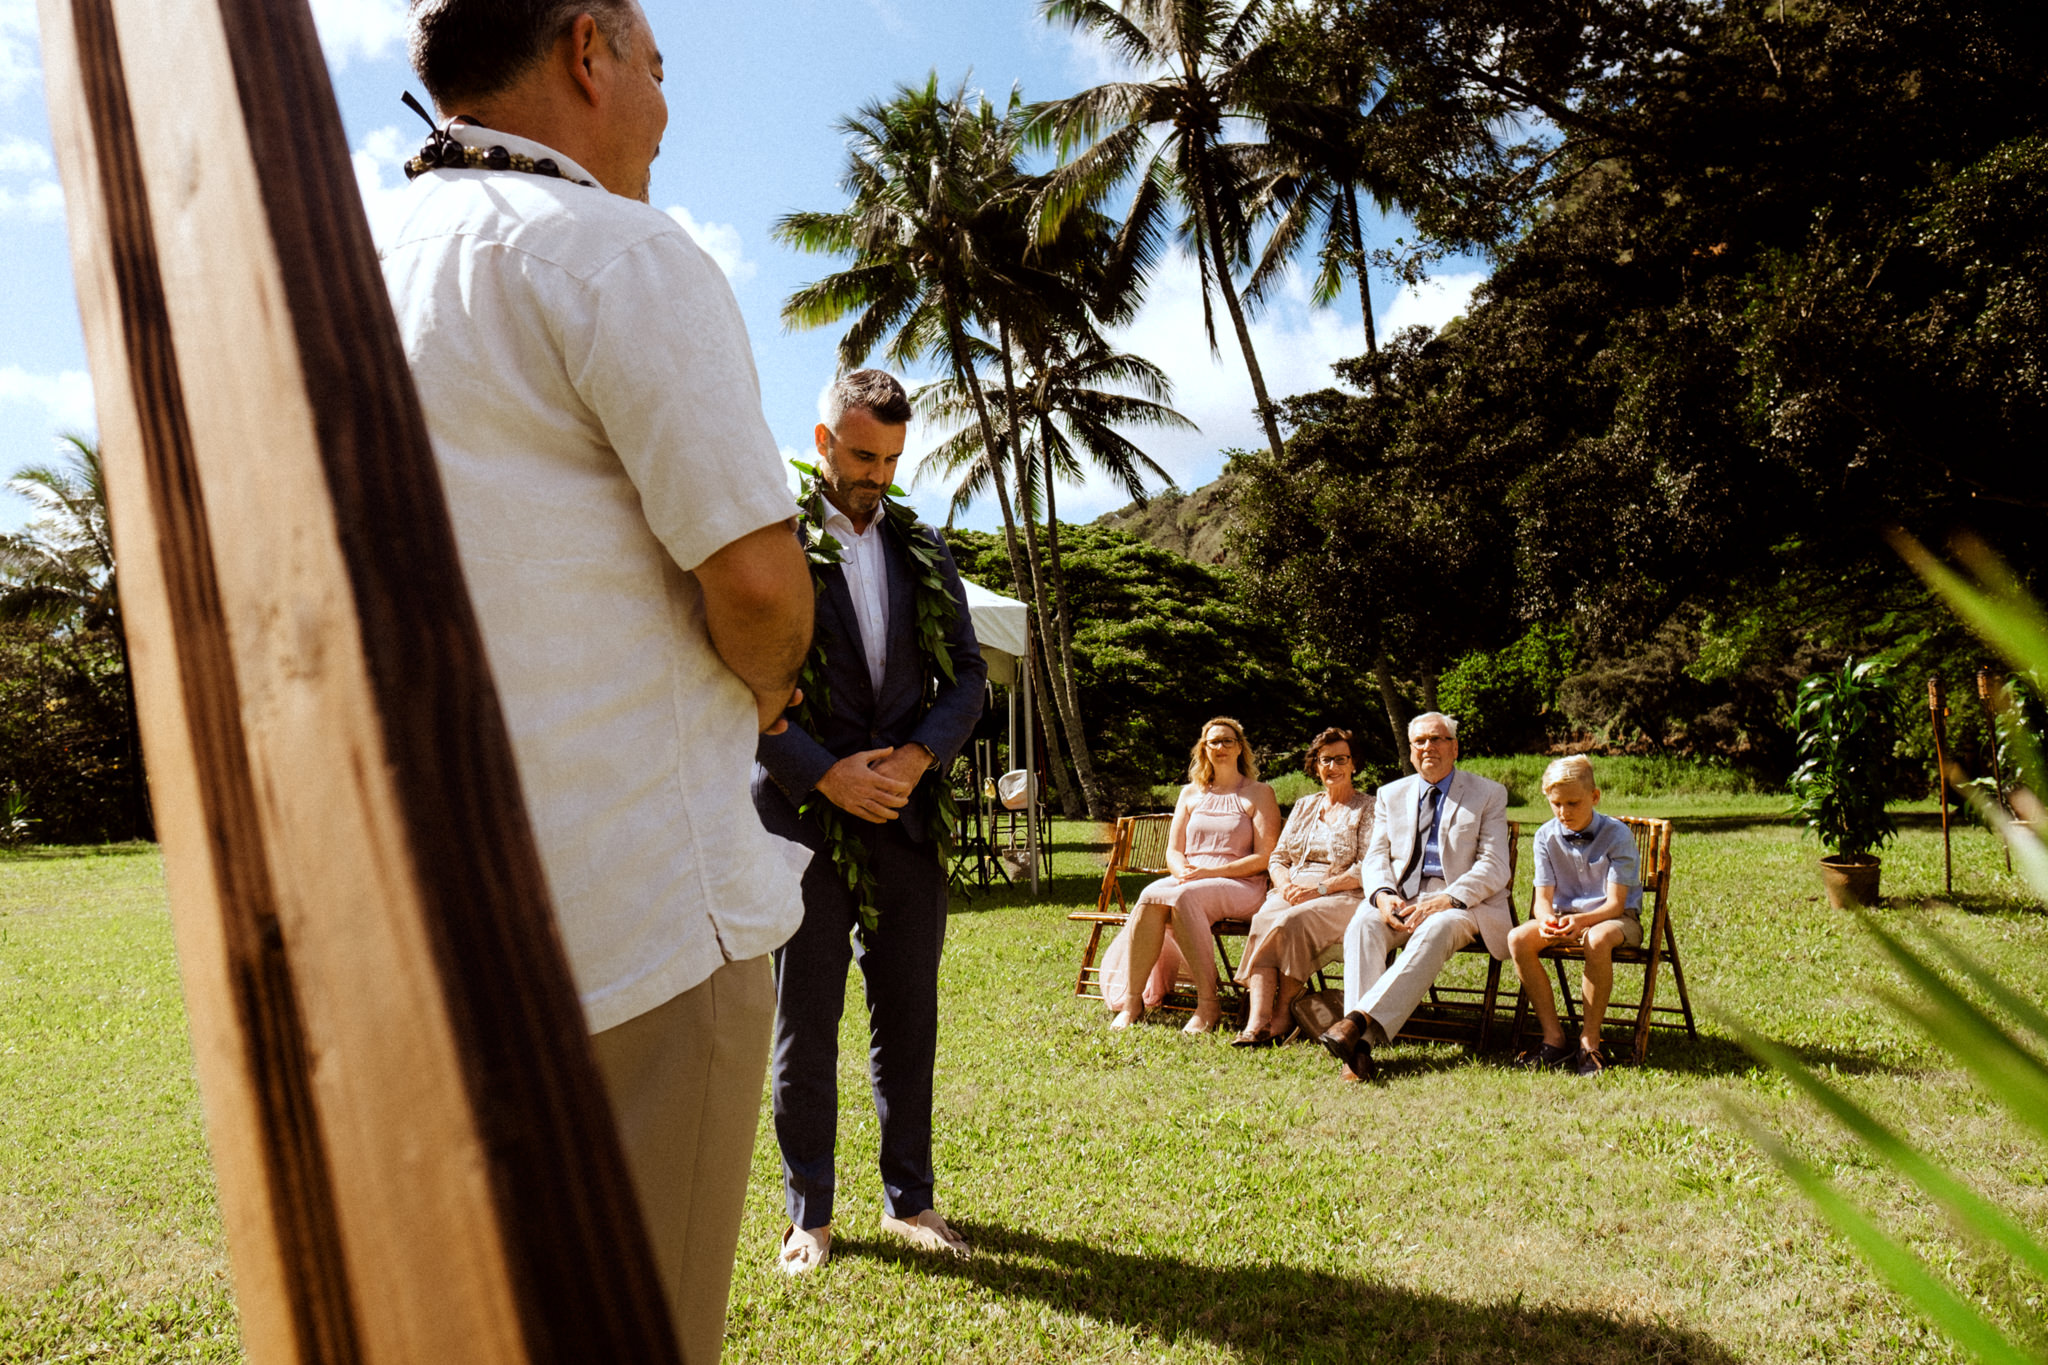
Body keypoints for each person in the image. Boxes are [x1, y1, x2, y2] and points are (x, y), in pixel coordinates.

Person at [387, 3, 813, 1358]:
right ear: (589, 52)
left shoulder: (333, 271)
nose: (667, 104)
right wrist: (768, 688)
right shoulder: (613, 254)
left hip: (402, 944)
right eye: (659, 64)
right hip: (629, 929)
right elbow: (756, 586)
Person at [755, 370, 987, 1275]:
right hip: (801, 822)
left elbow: (966, 676)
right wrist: (825, 776)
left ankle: (911, 1200)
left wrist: (915, 760)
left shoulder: (926, 549)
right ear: (821, 442)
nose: (877, 474)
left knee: (909, 1016)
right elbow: (740, 677)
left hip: (905, 819)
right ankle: (808, 1213)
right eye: (861, 454)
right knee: (804, 1022)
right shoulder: (771, 543)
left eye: (892, 457)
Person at [1318, 713, 1512, 1081]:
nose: (1429, 747)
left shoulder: (1487, 793)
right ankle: (1360, 1048)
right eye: (1420, 741)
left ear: (1454, 748)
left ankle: (1355, 1024)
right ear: (1411, 752)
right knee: (1363, 925)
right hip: (1403, 896)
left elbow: (1495, 865)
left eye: (1437, 739)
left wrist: (1450, 899)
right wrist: (1382, 894)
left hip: (1461, 903)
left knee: (1435, 929)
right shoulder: (1392, 794)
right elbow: (1376, 855)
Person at [1100, 717, 1281, 1034]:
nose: (1221, 747)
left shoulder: (1259, 793)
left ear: (1240, 747)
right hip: (1190, 878)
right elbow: (1174, 851)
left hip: (1241, 882)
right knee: (1150, 896)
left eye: (1227, 741)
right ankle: (1132, 1002)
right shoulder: (1190, 794)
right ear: (1204, 749)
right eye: (1214, 742)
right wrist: (1182, 870)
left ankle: (1208, 1005)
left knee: (1184, 897)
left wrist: (1211, 871)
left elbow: (1265, 857)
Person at [1230, 728, 1374, 1047]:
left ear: (1354, 764)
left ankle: (1282, 1016)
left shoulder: (1370, 807)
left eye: (1341, 759)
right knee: (1266, 918)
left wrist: (1319, 889)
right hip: (1293, 888)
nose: (1332, 767)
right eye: (1325, 760)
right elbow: (1279, 856)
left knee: (1291, 923)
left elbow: (1367, 868)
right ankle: (1257, 1021)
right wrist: (1284, 885)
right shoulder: (1305, 805)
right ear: (1315, 764)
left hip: (1343, 894)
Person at [1507, 756, 1643, 1076]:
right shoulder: (1544, 836)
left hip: (1616, 920)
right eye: (1556, 804)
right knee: (1518, 939)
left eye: (1573, 803)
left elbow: (1615, 904)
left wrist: (1581, 922)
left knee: (1596, 938)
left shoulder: (1617, 834)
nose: (1564, 812)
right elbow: (1542, 901)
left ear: (1594, 797)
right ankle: (1554, 1040)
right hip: (1566, 918)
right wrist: (1547, 921)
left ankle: (1589, 1042)